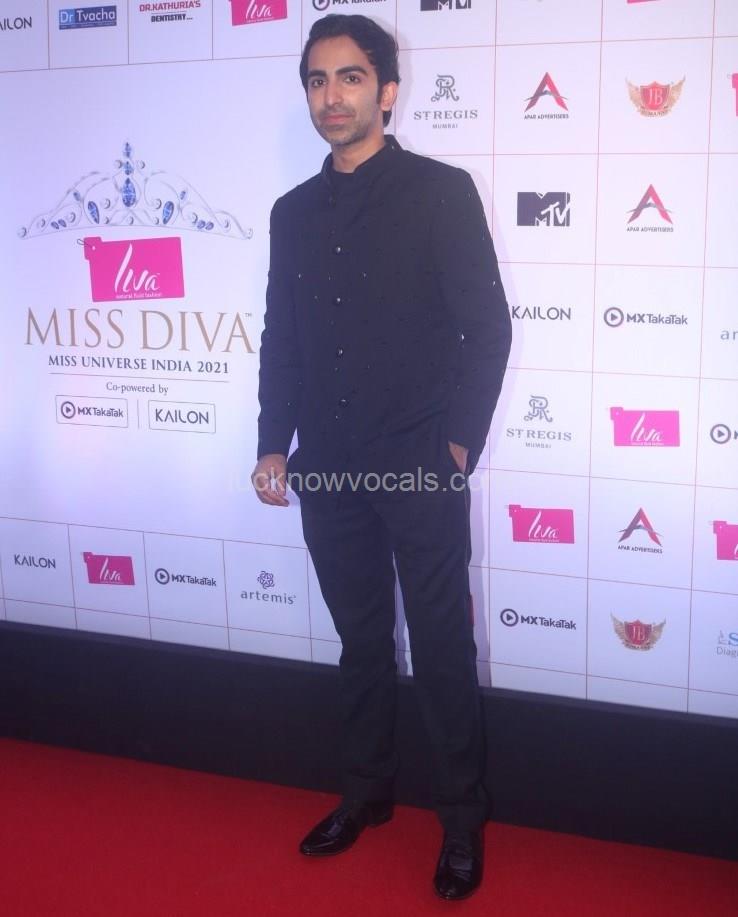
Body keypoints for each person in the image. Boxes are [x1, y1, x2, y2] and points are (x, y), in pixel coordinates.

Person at [252, 14, 511, 901]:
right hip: (327, 466)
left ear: (387, 91)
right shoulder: (291, 212)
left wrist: (457, 446)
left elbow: (487, 328)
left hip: (418, 464)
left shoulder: (441, 192)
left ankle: (462, 821)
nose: (332, 96)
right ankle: (365, 793)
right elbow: (282, 337)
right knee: (360, 642)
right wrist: (272, 441)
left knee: (440, 648)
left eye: (351, 77)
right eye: (317, 80)